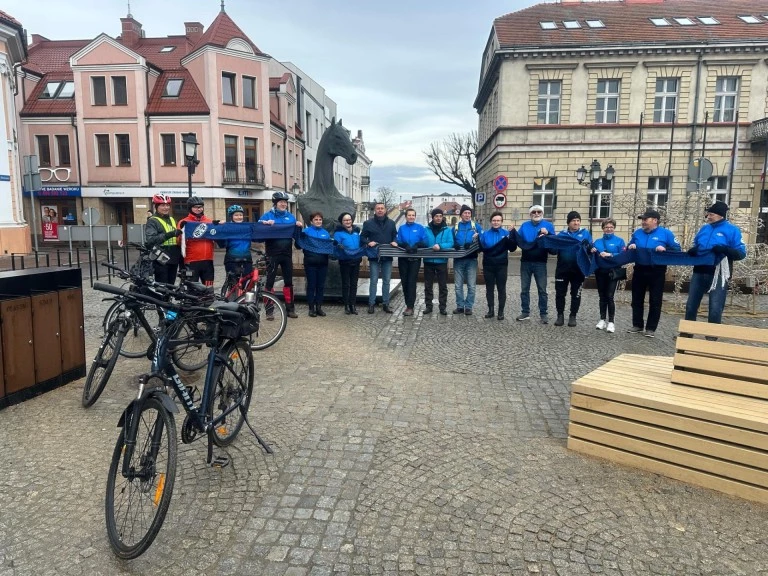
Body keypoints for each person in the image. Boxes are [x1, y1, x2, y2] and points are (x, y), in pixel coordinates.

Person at [685, 201, 746, 326]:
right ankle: (687, 335)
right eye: (708, 214)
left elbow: (741, 254)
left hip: (719, 273)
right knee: (691, 305)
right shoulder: (704, 229)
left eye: (711, 214)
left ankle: (711, 338)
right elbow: (696, 244)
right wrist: (694, 250)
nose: (708, 217)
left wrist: (725, 249)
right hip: (699, 271)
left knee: (715, 307)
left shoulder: (732, 230)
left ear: (720, 215)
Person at [627, 209, 681, 338]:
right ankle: (637, 325)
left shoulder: (666, 233)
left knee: (655, 300)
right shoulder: (638, 233)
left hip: (657, 270)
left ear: (655, 220)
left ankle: (651, 328)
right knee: (636, 299)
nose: (643, 222)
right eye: (642, 220)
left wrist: (665, 249)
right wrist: (631, 245)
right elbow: (629, 245)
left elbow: (677, 249)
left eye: (646, 219)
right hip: (640, 269)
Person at [259, 191, 303, 319]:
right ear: (275, 203)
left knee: (288, 282)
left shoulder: (291, 217)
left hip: (287, 254)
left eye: (285, 202)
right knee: (270, 282)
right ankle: (269, 311)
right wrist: (265, 225)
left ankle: (290, 309)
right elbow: (259, 230)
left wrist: (298, 226)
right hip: (272, 254)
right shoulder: (267, 216)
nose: (283, 204)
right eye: (281, 202)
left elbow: (296, 235)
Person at [516, 204, 555, 323]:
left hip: (541, 263)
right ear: (530, 214)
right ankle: (525, 312)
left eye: (539, 212)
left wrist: (548, 233)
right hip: (526, 262)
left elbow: (554, 243)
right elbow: (519, 240)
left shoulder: (548, 226)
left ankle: (543, 314)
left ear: (542, 213)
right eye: (534, 212)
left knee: (542, 290)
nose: (536, 214)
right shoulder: (524, 226)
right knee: (524, 289)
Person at [553, 211, 592, 327]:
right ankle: (560, 316)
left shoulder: (585, 234)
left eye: (578, 221)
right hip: (562, 269)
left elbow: (590, 249)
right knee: (560, 294)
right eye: (573, 221)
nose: (576, 223)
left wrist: (590, 247)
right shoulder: (562, 234)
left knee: (576, 294)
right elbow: (554, 249)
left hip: (578, 270)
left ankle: (573, 316)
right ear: (568, 222)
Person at [361, 202, 398, 314]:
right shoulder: (368, 223)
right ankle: (371, 304)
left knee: (386, 281)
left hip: (387, 256)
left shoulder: (391, 223)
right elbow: (362, 237)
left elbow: (395, 236)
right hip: (374, 256)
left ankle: (385, 303)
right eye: (378, 208)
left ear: (385, 210)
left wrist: (395, 242)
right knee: (373, 281)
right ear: (375, 210)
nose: (380, 210)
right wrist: (368, 242)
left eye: (382, 208)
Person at [479, 211, 517, 320]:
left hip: (501, 265)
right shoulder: (485, 234)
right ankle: (491, 310)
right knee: (489, 289)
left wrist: (512, 235)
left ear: (501, 222)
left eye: (498, 220)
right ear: (491, 222)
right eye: (494, 220)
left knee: (501, 288)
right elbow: (481, 247)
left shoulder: (506, 233)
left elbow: (512, 248)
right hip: (488, 265)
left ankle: (501, 311)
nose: (496, 222)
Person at [592, 218, 626, 333]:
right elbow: (592, 254)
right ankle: (602, 319)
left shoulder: (619, 241)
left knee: (610, 296)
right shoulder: (597, 241)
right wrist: (592, 250)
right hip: (600, 272)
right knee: (602, 296)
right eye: (606, 227)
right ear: (603, 228)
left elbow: (623, 255)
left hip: (613, 272)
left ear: (614, 228)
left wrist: (610, 254)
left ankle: (611, 322)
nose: (609, 229)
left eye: (611, 227)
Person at [144, 193, 182, 284]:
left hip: (173, 256)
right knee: (162, 286)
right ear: (156, 206)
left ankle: (168, 298)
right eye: (162, 205)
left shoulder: (172, 219)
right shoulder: (152, 221)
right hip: (161, 257)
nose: (166, 207)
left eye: (167, 205)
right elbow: (150, 240)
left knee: (171, 285)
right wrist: (170, 234)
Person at [423, 208, 454, 315]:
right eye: (436, 216)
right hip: (428, 261)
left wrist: (440, 246)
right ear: (433, 217)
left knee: (443, 286)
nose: (438, 218)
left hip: (442, 261)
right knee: (428, 286)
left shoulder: (447, 230)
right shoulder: (426, 229)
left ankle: (442, 307)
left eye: (440, 216)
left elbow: (450, 243)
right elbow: (423, 242)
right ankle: (428, 306)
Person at [177, 195, 215, 286]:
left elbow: (216, 236)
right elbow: (179, 242)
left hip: (207, 260)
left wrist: (219, 227)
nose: (199, 209)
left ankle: (207, 300)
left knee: (208, 288)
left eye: (201, 207)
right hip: (191, 261)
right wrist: (181, 233)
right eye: (195, 207)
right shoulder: (184, 222)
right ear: (190, 208)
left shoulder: (209, 222)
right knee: (192, 288)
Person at [396, 207, 426, 316]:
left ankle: (410, 306)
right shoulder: (401, 228)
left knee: (411, 282)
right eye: (409, 215)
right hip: (403, 258)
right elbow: (398, 240)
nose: (411, 217)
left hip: (415, 259)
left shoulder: (419, 228)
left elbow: (424, 241)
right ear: (405, 217)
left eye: (413, 215)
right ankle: (407, 303)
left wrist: (416, 245)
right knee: (404, 282)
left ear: (415, 216)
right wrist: (405, 245)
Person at [452, 204, 482, 315]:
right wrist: (454, 244)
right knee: (458, 285)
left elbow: (482, 239)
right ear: (461, 215)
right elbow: (451, 240)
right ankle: (460, 306)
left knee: (471, 285)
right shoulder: (455, 227)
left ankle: (468, 306)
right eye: (465, 213)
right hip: (458, 259)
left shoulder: (476, 226)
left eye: (469, 213)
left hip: (471, 259)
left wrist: (474, 241)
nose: (467, 215)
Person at [301, 211, 331, 317]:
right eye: (316, 219)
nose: (318, 221)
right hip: (310, 263)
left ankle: (319, 307)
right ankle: (311, 308)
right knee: (311, 285)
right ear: (311, 221)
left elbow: (329, 247)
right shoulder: (306, 232)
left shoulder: (325, 233)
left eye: (320, 219)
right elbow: (299, 245)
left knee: (320, 286)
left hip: (323, 263)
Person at [334, 212, 363, 315]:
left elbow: (360, 243)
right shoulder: (338, 233)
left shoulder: (356, 232)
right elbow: (336, 246)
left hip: (356, 261)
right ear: (342, 222)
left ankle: (353, 305)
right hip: (345, 261)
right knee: (346, 284)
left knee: (354, 284)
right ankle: (346, 305)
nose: (348, 221)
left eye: (349, 219)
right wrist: (339, 246)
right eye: (345, 220)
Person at [220, 205, 253, 276]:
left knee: (246, 283)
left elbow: (258, 237)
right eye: (236, 215)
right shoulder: (227, 227)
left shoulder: (248, 227)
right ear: (231, 216)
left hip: (247, 259)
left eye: (241, 215)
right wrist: (220, 227)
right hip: (232, 259)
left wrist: (265, 223)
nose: (239, 217)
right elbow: (222, 244)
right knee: (234, 283)